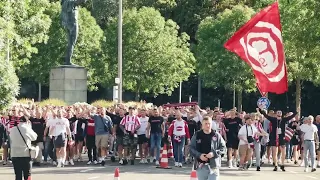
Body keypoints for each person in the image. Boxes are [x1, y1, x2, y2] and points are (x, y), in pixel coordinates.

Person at [190, 116, 226, 180]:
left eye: (209, 123)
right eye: (206, 124)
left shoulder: (216, 135)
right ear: (202, 125)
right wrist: (199, 155)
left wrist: (214, 153)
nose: (208, 125)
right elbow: (191, 148)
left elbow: (223, 148)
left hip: (213, 166)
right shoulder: (197, 135)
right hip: (201, 165)